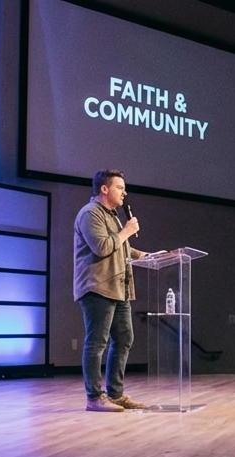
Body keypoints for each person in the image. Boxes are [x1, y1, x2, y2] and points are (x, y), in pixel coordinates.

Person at [74, 169, 148, 412]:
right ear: (104, 189)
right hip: (98, 288)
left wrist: (147, 256)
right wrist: (126, 230)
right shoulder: (90, 214)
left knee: (125, 339)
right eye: (120, 187)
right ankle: (94, 397)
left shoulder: (112, 216)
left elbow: (122, 248)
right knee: (97, 343)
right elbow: (103, 247)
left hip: (119, 289)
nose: (124, 192)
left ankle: (115, 394)